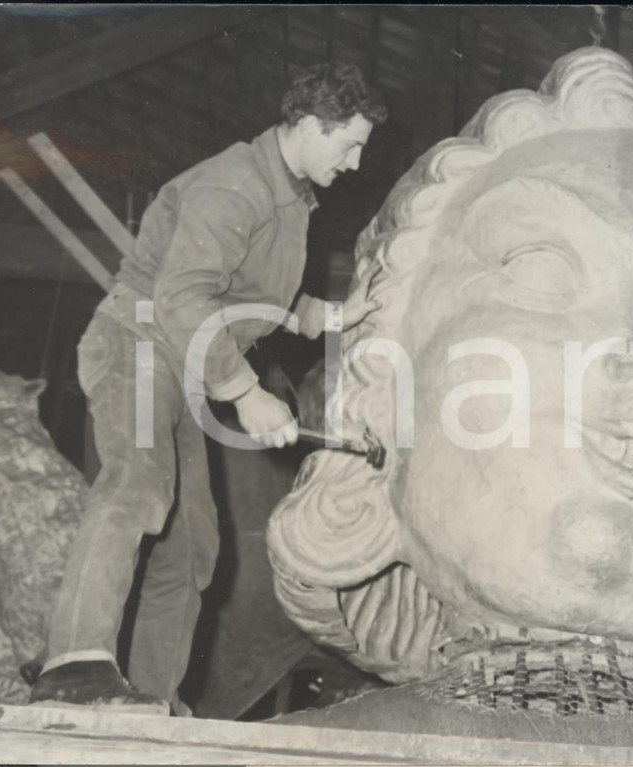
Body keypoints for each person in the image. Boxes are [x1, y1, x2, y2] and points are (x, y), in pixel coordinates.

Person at [29, 62, 387, 715]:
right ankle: (75, 663)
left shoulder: (289, 201)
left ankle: (147, 699)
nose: (357, 163)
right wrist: (247, 392)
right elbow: (184, 295)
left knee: (195, 541)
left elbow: (257, 300)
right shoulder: (235, 185)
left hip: (184, 361)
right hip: (140, 343)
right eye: (349, 144)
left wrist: (334, 315)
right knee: (138, 484)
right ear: (309, 125)